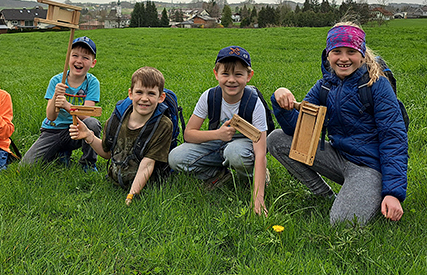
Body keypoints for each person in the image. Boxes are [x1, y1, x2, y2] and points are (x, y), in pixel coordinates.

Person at [267, 22, 408, 225]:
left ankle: (373, 193)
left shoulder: (377, 85)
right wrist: (280, 102)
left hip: (369, 167)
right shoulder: (324, 86)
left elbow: (393, 139)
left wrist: (393, 193)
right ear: (328, 54)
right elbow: (300, 132)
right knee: (277, 140)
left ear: (361, 54)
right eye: (337, 51)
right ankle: (324, 195)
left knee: (342, 224)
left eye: (351, 51)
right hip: (338, 157)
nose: (343, 58)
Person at [168, 46, 268, 216]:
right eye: (225, 74)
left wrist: (258, 198)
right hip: (217, 142)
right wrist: (217, 134)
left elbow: (261, 152)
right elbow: (189, 134)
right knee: (175, 158)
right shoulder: (209, 96)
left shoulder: (254, 104)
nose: (231, 80)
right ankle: (219, 174)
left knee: (235, 153)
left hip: (244, 147)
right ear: (216, 74)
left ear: (249, 76)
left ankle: (252, 179)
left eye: (238, 74)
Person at [69, 66, 172, 205]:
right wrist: (89, 136)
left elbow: (147, 164)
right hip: (114, 181)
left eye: (151, 94)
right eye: (139, 92)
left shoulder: (163, 125)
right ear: (130, 94)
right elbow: (107, 153)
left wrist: (131, 195)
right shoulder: (117, 119)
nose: (144, 98)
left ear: (161, 97)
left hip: (146, 185)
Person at [21, 36, 101, 170]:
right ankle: (60, 153)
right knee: (26, 166)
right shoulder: (57, 81)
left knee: (92, 124)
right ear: (68, 58)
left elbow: (86, 115)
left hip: (76, 130)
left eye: (85, 58)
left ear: (93, 63)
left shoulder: (92, 83)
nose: (79, 61)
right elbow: (51, 116)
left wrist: (66, 105)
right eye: (75, 55)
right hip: (52, 131)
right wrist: (55, 96)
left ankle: (88, 163)